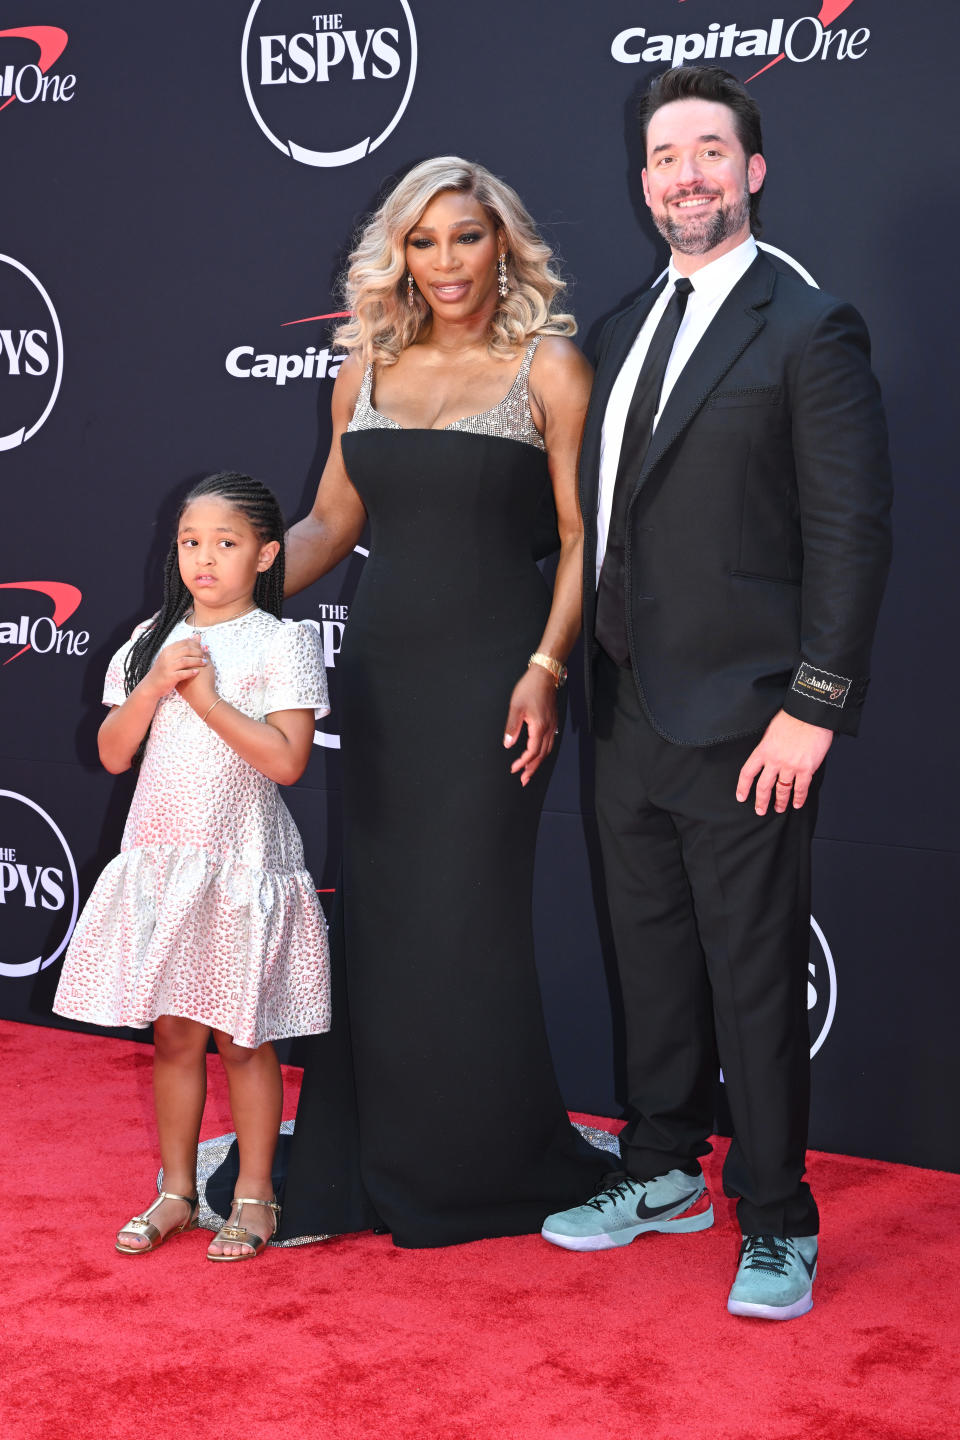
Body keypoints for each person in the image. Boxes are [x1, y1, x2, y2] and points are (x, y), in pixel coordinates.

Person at [540, 67, 892, 1320]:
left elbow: (851, 532)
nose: (683, 174)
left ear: (753, 171)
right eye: (661, 156)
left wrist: (815, 703)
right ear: (642, 182)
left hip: (749, 717)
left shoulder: (808, 325)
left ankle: (780, 1218)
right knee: (651, 961)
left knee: (751, 973)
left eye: (707, 151)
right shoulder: (625, 328)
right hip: (625, 708)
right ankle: (661, 1170)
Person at [269, 155, 609, 1248]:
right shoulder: (366, 362)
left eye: (466, 236)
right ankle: (367, 1157)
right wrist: (227, 589)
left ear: (501, 242)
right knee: (378, 911)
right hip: (381, 678)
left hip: (497, 675)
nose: (447, 261)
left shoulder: (550, 368)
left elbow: (577, 537)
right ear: (399, 255)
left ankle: (479, 1162)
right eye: (425, 241)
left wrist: (547, 669)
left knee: (467, 916)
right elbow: (330, 521)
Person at [53, 471, 331, 1262]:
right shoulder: (151, 637)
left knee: (245, 1039)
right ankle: (176, 1191)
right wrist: (155, 685)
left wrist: (207, 699)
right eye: (190, 542)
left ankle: (253, 1196)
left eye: (226, 543)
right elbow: (111, 752)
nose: (204, 559)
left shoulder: (284, 641)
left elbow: (286, 761)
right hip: (163, 859)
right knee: (175, 1035)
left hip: (242, 861)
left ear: (267, 553)